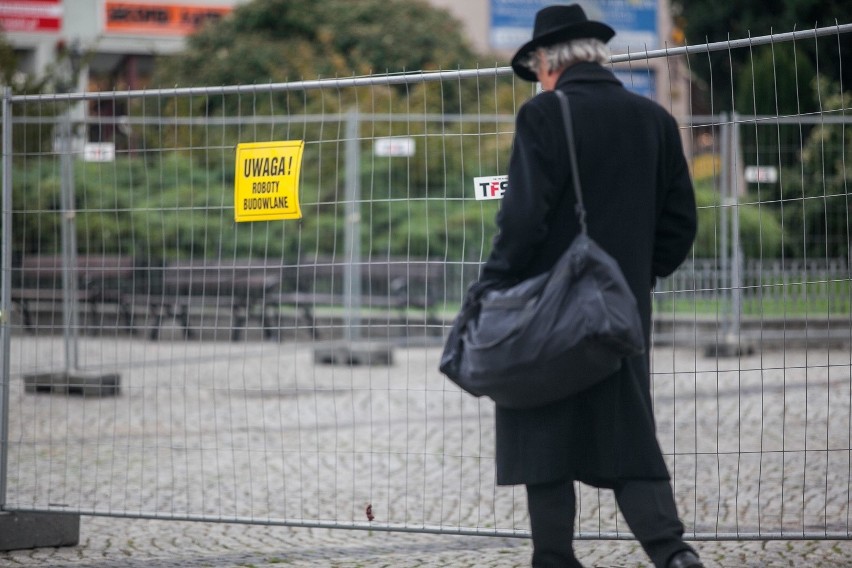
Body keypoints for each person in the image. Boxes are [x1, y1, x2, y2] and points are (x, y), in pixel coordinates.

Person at [472, 5, 703, 568]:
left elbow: (522, 221)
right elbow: (680, 224)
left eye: (537, 70)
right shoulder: (653, 118)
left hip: (546, 312)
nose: (540, 82)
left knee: (543, 435)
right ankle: (673, 555)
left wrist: (492, 288)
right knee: (628, 438)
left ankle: (554, 558)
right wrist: (634, 279)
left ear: (548, 61)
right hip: (619, 315)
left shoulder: (545, 116)